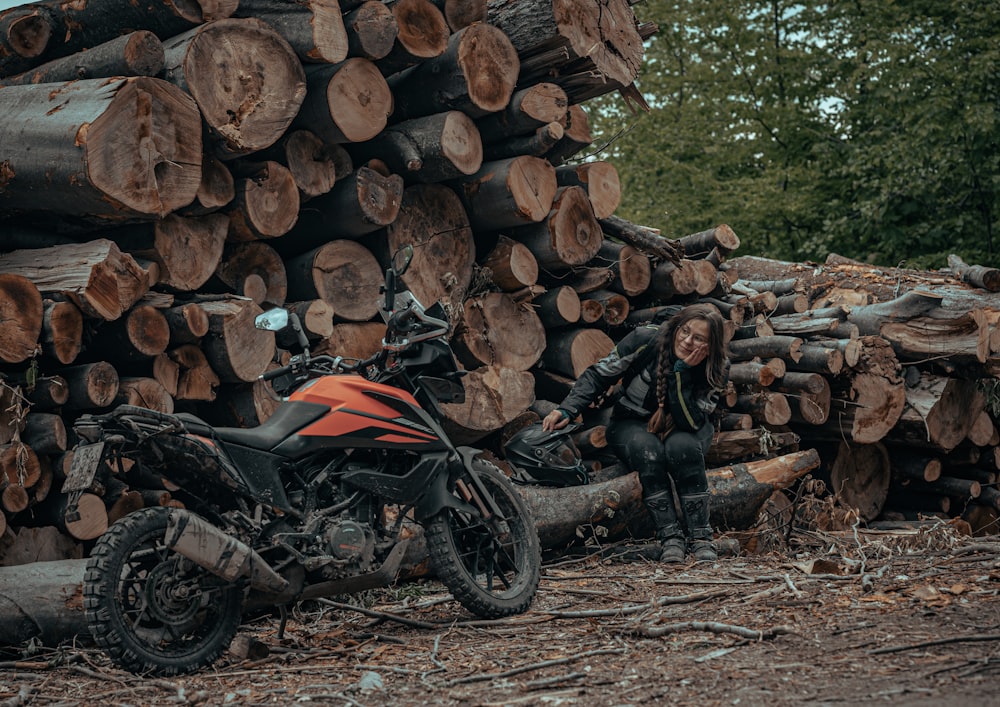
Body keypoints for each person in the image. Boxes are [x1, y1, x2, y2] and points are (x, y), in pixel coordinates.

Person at [542, 304, 729, 563]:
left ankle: (700, 538)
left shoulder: (717, 366)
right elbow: (599, 374)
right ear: (677, 326)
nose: (687, 341)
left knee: (681, 448)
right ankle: (670, 537)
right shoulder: (647, 339)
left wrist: (680, 374)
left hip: (686, 427)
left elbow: (691, 422)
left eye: (698, 338)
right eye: (685, 331)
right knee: (648, 451)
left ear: (710, 345)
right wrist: (567, 409)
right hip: (631, 422)